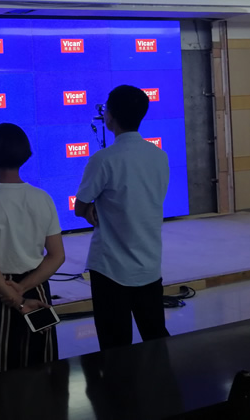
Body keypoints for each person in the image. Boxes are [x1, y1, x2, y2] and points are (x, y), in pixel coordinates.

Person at [74, 85, 171, 351]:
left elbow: (80, 207)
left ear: (110, 116)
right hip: (149, 265)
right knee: (156, 339)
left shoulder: (103, 159)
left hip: (110, 268)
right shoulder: (159, 156)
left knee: (114, 346)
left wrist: (90, 210)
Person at [0, 123, 66, 377]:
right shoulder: (42, 198)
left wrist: (15, 297)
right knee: (40, 362)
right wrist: (22, 289)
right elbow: (57, 256)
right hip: (36, 287)